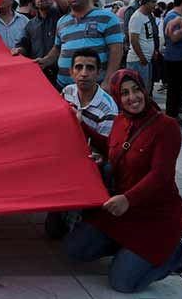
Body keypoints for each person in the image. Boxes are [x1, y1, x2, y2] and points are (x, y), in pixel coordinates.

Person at [65, 69, 182, 293]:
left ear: (144, 90)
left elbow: (161, 175)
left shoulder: (166, 126)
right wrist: (80, 124)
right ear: (117, 97)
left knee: (122, 283)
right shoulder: (120, 121)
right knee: (76, 250)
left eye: (135, 90)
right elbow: (111, 147)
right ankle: (131, 252)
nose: (132, 98)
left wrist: (127, 199)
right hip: (122, 213)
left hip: (156, 217)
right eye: (124, 93)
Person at [45, 48, 118, 239]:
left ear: (98, 72)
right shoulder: (67, 92)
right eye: (79, 67)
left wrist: (81, 125)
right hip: (67, 157)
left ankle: (90, 211)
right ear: (71, 72)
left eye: (90, 68)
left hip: (91, 162)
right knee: (52, 231)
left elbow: (105, 151)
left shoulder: (107, 108)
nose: (83, 73)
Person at [36, 0, 123, 92]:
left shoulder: (107, 18)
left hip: (95, 88)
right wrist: (45, 61)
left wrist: (108, 81)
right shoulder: (62, 21)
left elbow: (116, 50)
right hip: (64, 88)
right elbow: (57, 48)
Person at [11, 0, 69, 86]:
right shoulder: (30, 25)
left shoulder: (62, 15)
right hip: (40, 78)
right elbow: (23, 45)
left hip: (62, 77)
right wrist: (19, 50)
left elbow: (65, 3)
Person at [162, 0, 182, 120]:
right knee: (174, 90)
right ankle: (171, 116)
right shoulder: (172, 17)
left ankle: (175, 111)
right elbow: (173, 37)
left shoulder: (180, 16)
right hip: (175, 60)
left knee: (180, 88)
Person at [126, 0, 158, 92]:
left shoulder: (146, 16)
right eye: (153, 2)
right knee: (139, 90)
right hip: (138, 61)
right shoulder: (137, 17)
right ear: (146, 3)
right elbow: (134, 40)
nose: (155, 5)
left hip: (145, 60)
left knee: (145, 90)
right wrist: (142, 57)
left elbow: (147, 37)